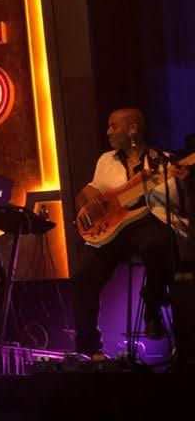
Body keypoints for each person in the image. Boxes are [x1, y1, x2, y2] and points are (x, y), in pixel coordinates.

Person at [71, 108, 187, 358]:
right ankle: (90, 350)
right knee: (82, 275)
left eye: (114, 126)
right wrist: (87, 197)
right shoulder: (106, 160)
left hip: (149, 223)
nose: (108, 131)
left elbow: (175, 205)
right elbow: (88, 194)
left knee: (158, 243)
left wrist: (179, 181)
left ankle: (153, 305)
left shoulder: (162, 160)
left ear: (133, 129)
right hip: (114, 231)